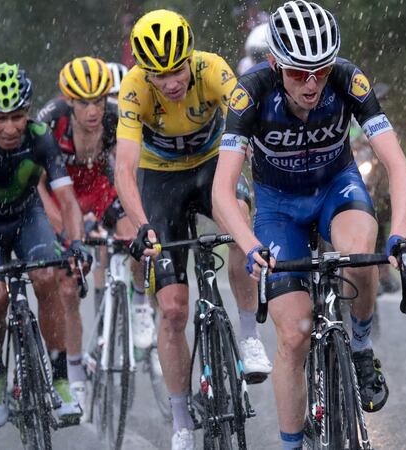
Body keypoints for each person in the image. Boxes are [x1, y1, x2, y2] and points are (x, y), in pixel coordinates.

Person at [212, 2, 406, 448]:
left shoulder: (348, 80)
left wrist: (399, 234)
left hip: (335, 189)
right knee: (294, 333)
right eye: (299, 74)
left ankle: (362, 350)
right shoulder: (250, 91)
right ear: (275, 63)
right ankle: (291, 443)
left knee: (360, 255)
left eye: (320, 72)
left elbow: (397, 166)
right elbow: (222, 191)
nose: (311, 84)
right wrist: (250, 246)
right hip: (278, 207)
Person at [114, 10, 272, 450]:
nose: (170, 82)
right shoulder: (133, 88)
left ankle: (248, 334)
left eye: (176, 69)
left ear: (191, 58)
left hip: (211, 167)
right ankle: (181, 418)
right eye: (158, 75)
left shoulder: (213, 69)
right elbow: (125, 169)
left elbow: (252, 123)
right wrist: (143, 226)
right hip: (159, 179)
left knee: (239, 223)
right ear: (145, 72)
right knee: (173, 310)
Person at [0, 62, 91, 428]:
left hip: (27, 217)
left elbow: (67, 201)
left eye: (18, 117)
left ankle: (59, 378)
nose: (10, 128)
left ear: (27, 113)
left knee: (47, 278)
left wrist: (76, 243)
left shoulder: (40, 137)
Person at [36, 56, 147, 410]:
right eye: (84, 102)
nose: (93, 109)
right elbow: (38, 186)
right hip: (59, 192)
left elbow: (124, 170)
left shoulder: (115, 115)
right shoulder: (50, 121)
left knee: (139, 239)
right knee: (68, 287)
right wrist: (69, 229)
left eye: (98, 100)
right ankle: (74, 371)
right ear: (69, 100)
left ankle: (140, 301)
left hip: (99, 187)